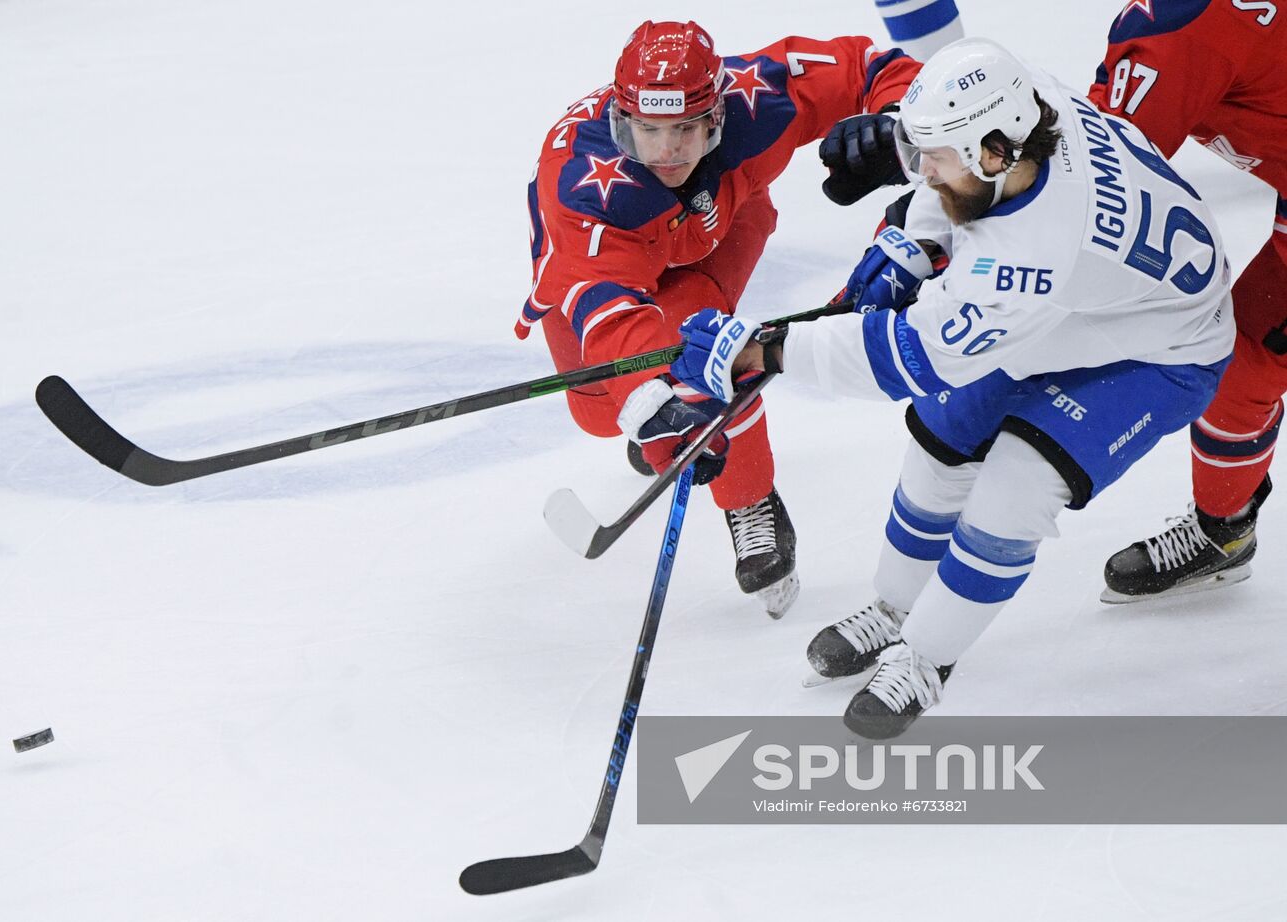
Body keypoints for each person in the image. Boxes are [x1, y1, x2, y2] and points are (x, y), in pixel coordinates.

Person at [668, 38, 1235, 737]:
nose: (919, 167)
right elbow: (962, 185)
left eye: (933, 156)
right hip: (1096, 299)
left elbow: (907, 359)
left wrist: (764, 349)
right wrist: (914, 236)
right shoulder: (1026, 102)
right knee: (940, 441)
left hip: (1162, 348)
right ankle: (893, 608)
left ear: (995, 153)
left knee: (1014, 490)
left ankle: (927, 658)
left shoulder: (1026, 261)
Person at [518, 21, 920, 618]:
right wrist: (649, 403)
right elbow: (605, 306)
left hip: (716, 235)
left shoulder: (759, 95)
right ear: (620, 123)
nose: (666, 152)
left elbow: (875, 67)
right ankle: (669, 420)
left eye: (685, 129)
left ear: (718, 115)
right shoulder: (584, 185)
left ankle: (749, 500)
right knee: (600, 412)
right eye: (646, 132)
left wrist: (894, 126)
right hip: (603, 269)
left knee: (697, 352)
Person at [1087, 0, 1286, 602]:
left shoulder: (1179, 26)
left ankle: (1222, 527)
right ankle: (1222, 527)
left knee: (1248, 359)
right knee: (1247, 355)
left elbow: (1103, 182)